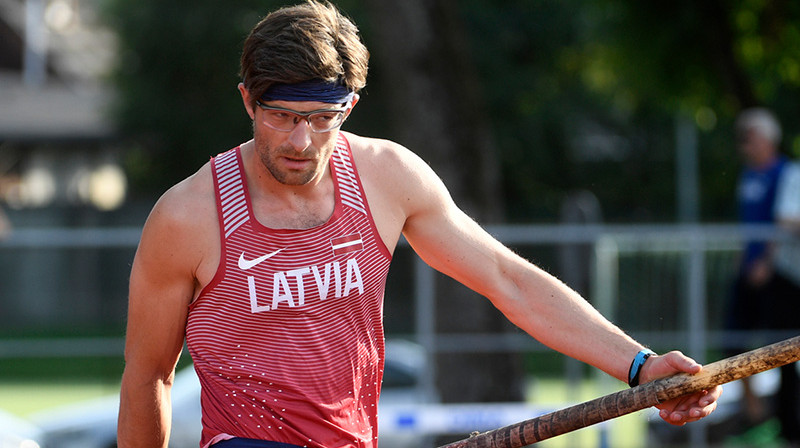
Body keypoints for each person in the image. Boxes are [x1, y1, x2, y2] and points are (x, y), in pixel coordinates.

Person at [117, 2, 721, 447]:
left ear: (349, 107)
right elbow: (149, 376)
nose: (301, 141)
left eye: (321, 117)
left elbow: (505, 280)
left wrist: (639, 365)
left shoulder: (387, 176)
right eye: (280, 116)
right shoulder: (190, 215)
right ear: (248, 101)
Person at [727, 107, 800, 445]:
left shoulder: (787, 173)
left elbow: (783, 223)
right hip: (750, 272)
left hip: (779, 277)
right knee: (733, 341)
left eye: (750, 136)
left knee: (783, 349)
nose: (744, 144)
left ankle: (785, 425)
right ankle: (756, 416)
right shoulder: (748, 175)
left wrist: (766, 264)